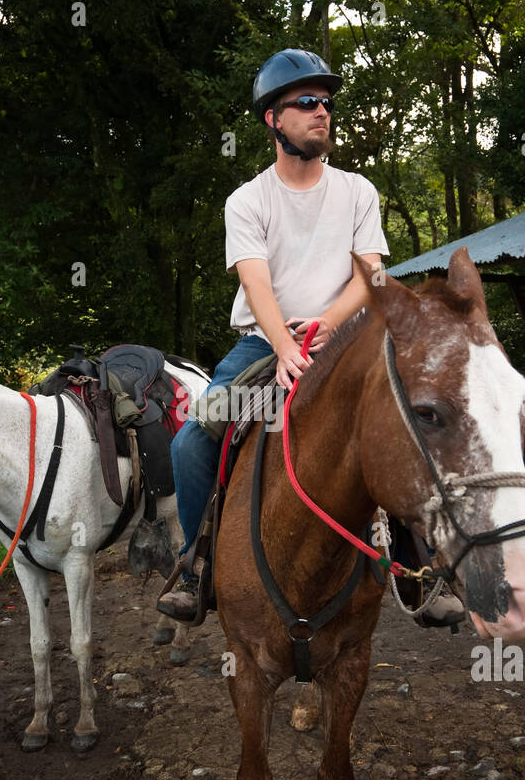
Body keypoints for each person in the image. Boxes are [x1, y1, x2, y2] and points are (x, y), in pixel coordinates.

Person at [158, 47, 463, 628]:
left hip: (347, 338)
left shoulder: (357, 191)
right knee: (193, 441)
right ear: (273, 120)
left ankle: (425, 573)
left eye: (325, 102)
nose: (321, 111)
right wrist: (286, 349)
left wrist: (324, 327)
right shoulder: (247, 201)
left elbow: (370, 274)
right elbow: (257, 283)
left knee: (403, 424)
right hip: (264, 341)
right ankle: (198, 568)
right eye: (305, 103)